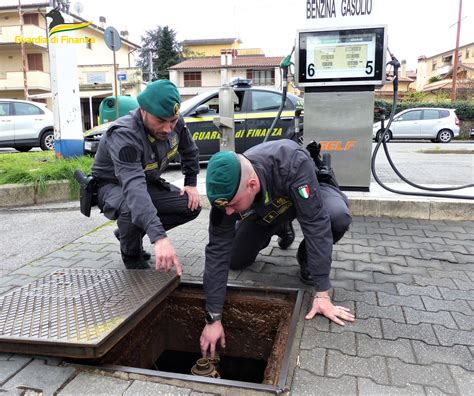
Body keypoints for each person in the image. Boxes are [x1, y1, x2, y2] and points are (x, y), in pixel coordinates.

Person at [200, 140, 354, 359]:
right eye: (224, 207)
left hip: (309, 194)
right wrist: (213, 318)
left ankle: (306, 258)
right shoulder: (227, 195)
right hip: (265, 207)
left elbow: (315, 223)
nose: (228, 212)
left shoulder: (292, 161)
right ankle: (281, 225)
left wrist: (322, 293)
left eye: (232, 205)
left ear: (251, 185)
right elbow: (217, 252)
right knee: (236, 260)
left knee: (336, 217)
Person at [92, 80, 201, 272]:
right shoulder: (124, 135)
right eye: (160, 121)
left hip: (147, 182)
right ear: (143, 110)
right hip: (113, 186)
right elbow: (134, 188)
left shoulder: (173, 120)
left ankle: (131, 232)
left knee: (191, 206)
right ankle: (131, 255)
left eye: (172, 121)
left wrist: (190, 183)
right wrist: (159, 238)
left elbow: (190, 150)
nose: (168, 128)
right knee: (130, 208)